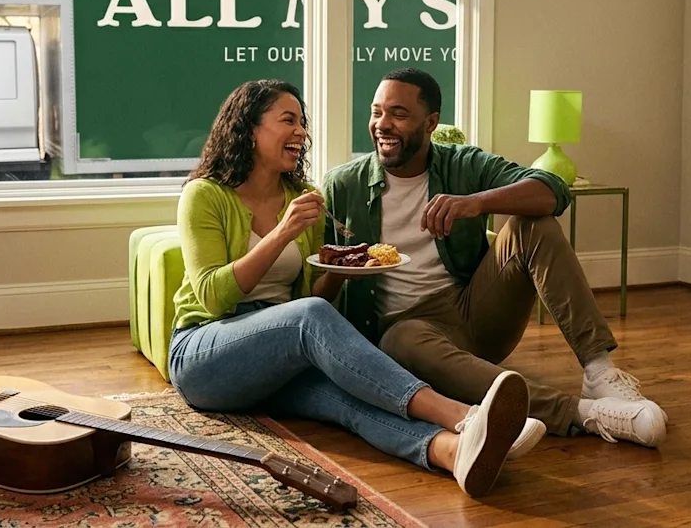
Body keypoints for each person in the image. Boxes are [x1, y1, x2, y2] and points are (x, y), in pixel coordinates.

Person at [167, 79, 532, 498]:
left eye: (302, 123)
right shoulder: (204, 195)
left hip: (279, 356)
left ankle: (452, 452)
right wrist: (282, 233)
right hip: (205, 353)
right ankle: (464, 416)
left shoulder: (301, 195)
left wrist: (342, 267)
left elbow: (310, 299)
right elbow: (215, 295)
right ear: (250, 128)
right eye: (288, 120)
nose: (301, 132)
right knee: (308, 318)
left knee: (348, 397)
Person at [321, 67, 668, 450]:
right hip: (407, 333)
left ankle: (599, 370)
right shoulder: (343, 184)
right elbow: (321, 283)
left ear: (431, 122)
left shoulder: (462, 165)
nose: (382, 125)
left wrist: (475, 203)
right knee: (400, 339)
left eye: (398, 114)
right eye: (376, 112)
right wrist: (343, 268)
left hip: (474, 310)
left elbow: (553, 190)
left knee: (533, 224)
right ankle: (582, 413)